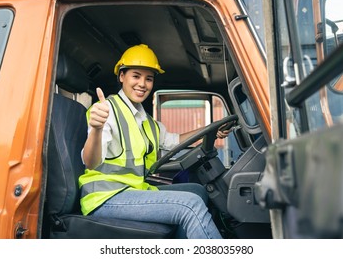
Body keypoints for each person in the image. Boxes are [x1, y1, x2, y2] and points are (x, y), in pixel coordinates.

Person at [79, 44, 231, 239]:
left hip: (133, 190)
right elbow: (90, 162)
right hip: (105, 197)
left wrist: (211, 130)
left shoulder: (147, 121)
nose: (142, 84)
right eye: (136, 76)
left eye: (148, 78)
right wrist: (97, 129)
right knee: (189, 205)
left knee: (197, 191)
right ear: (121, 76)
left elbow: (175, 141)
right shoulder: (106, 111)